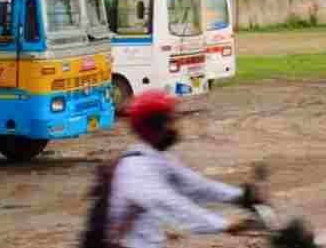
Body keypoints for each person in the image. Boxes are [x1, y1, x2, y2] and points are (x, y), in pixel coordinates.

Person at [104, 89, 263, 247]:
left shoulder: (156, 156)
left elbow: (197, 186)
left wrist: (241, 197)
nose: (176, 127)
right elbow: (171, 204)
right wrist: (224, 225)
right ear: (157, 127)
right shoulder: (137, 168)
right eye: (171, 121)